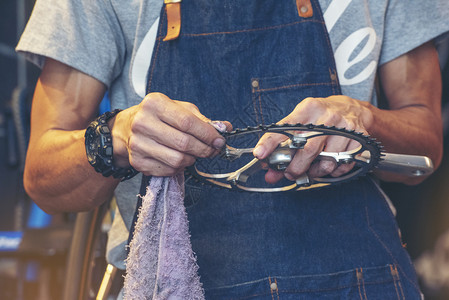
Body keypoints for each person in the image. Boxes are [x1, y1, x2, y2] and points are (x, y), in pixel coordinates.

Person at [17, 0, 449, 298]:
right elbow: (44, 180)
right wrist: (117, 137)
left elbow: (425, 149)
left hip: (358, 283)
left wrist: (364, 120)